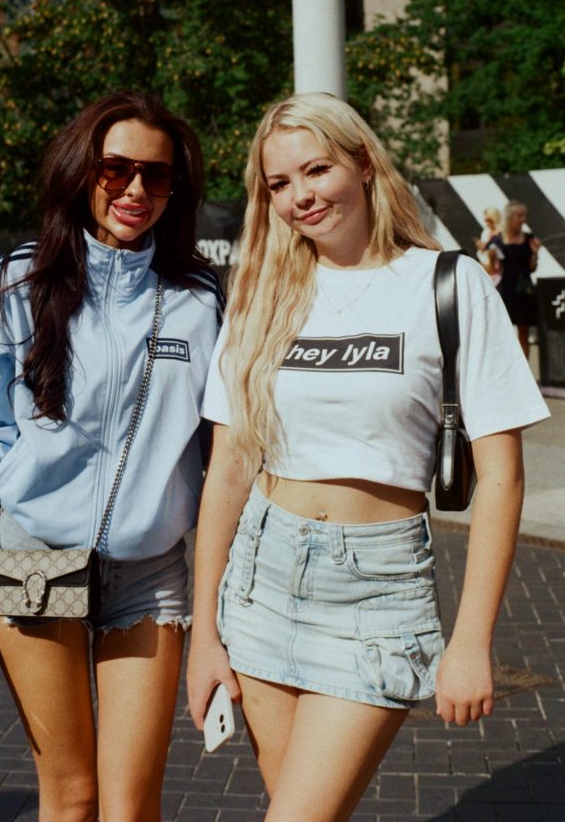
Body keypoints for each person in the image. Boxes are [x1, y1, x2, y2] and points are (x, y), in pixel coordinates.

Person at [187, 93, 549, 822]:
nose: (299, 197)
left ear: (361, 162)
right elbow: (228, 467)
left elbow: (503, 477)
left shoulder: (448, 285)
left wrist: (472, 642)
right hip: (261, 580)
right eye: (278, 184)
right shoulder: (260, 292)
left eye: (315, 170)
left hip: (376, 593)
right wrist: (205, 632)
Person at [0, 92, 223, 822]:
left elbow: (223, 451)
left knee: (128, 805)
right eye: (114, 169)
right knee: (72, 796)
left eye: (157, 175)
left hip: (150, 572)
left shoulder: (197, 294)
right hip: (33, 559)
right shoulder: (19, 281)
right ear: (79, 172)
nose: (136, 190)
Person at [487, 200, 541, 358]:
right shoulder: (497, 240)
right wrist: (490, 258)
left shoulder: (529, 238)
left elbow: (532, 267)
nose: (523, 218)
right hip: (504, 289)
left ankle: (525, 373)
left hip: (524, 289)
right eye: (519, 215)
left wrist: (535, 253)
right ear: (509, 217)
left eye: (525, 215)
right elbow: (490, 270)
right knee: (502, 331)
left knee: (524, 331)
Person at [474, 206, 502, 286]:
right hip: (485, 267)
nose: (486, 223)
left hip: (498, 269)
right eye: (485, 220)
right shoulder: (486, 232)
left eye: (488, 220)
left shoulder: (501, 232)